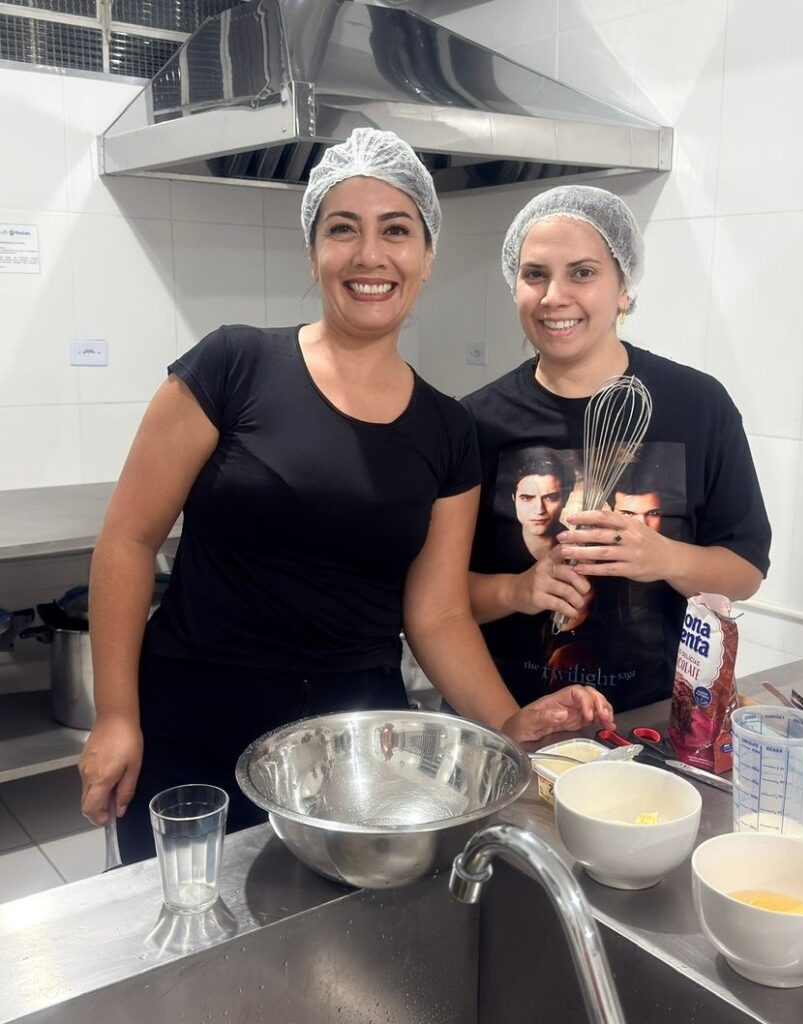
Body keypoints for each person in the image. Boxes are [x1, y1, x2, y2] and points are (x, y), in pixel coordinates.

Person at [78, 132, 615, 863]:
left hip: (354, 749)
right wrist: (115, 716)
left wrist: (507, 720)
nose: (369, 255)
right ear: (313, 252)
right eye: (343, 228)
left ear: (426, 259)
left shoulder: (446, 429)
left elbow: (438, 611)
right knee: (188, 942)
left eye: (395, 230)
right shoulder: (231, 365)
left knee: (331, 953)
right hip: (191, 718)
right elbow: (128, 541)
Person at [463, 185, 771, 712]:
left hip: (651, 723)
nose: (554, 295)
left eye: (583, 272)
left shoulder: (699, 405)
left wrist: (662, 557)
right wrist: (518, 590)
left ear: (624, 286)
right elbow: (437, 601)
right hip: (512, 723)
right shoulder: (475, 421)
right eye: (535, 274)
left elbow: (745, 571)